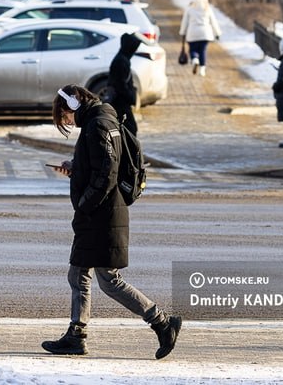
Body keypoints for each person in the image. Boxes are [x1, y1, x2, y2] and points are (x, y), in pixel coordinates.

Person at [41, 84, 182, 359]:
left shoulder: (97, 125)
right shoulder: (101, 120)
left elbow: (107, 172)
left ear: (74, 104)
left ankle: (163, 323)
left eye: (65, 115)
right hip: (102, 212)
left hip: (100, 214)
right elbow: (100, 165)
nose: (67, 121)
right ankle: (76, 335)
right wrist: (75, 168)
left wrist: (85, 204)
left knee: (108, 280)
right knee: (79, 274)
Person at [105, 32, 140, 136]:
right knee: (130, 128)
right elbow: (119, 84)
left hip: (121, 101)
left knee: (128, 128)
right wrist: (130, 96)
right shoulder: (121, 61)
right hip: (120, 102)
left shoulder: (122, 59)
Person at [179, 0, 221, 76]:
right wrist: (217, 33)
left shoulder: (190, 9)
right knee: (202, 50)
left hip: (192, 33)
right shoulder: (207, 8)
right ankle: (202, 69)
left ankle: (195, 60)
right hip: (205, 33)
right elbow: (213, 22)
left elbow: (184, 22)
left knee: (193, 50)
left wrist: (182, 32)